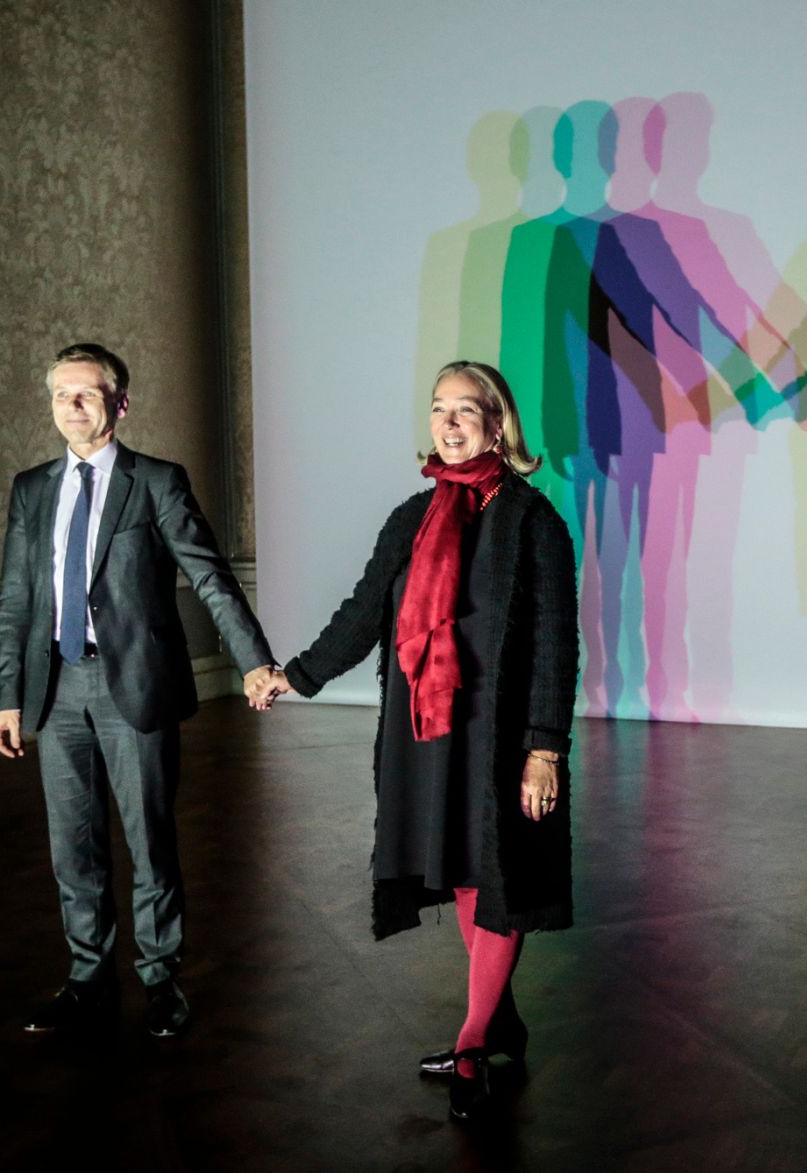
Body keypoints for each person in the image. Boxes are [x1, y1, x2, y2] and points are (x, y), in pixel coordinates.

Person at [257, 360, 578, 1120]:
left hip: (499, 736)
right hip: (427, 730)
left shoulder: (536, 521)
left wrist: (544, 747)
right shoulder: (412, 517)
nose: (451, 422)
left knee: (497, 876)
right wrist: (293, 675)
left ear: (499, 422)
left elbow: (555, 645)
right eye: (440, 408)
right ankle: (498, 1019)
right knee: (466, 875)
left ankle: (471, 1040)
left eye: (468, 409)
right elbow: (364, 611)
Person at [0, 343, 279, 1037]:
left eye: (87, 394)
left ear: (120, 403)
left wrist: (253, 660)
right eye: (62, 395)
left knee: (150, 840)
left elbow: (210, 575)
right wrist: (7, 696)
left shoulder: (156, 481)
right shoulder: (31, 489)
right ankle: (87, 977)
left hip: (134, 690)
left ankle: (160, 979)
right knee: (73, 847)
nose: (72, 407)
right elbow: (14, 599)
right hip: (55, 690)